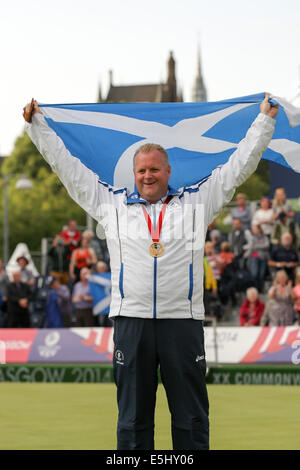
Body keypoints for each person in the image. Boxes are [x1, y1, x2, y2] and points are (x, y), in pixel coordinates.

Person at [24, 94, 278, 450]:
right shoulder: (109, 204)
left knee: (191, 419)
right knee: (132, 419)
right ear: (134, 173)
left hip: (182, 323)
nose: (148, 176)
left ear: (168, 171)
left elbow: (239, 165)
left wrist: (264, 121)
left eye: (155, 169)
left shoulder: (197, 202)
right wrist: (38, 128)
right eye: (142, 170)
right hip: (131, 321)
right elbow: (69, 169)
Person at [248, 224, 270, 293]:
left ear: (259, 229)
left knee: (261, 274)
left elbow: (267, 246)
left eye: (255, 229)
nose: (253, 230)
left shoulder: (265, 237)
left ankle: (260, 290)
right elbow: (251, 247)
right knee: (254, 274)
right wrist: (260, 246)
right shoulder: (252, 237)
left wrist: (256, 246)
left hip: (263, 258)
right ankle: (254, 289)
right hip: (254, 258)